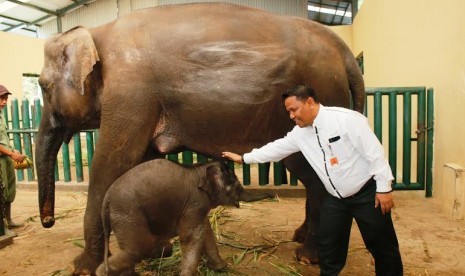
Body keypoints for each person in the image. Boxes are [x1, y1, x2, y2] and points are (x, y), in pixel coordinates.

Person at [222, 84, 403, 275]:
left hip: (367, 194)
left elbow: (374, 153)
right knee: (328, 245)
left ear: (309, 102)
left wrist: (383, 188)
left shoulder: (346, 120)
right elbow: (276, 148)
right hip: (335, 198)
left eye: (294, 109)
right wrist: (244, 158)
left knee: (382, 246)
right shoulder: (300, 133)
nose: (291, 116)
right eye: (288, 111)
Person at [0, 84, 25, 229]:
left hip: (6, 157)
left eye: (5, 98)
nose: (4, 102)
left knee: (9, 189)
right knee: (1, 190)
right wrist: (11, 154)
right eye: (1, 98)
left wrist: (12, 150)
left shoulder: (2, 115)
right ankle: (2, 225)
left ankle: (8, 220)